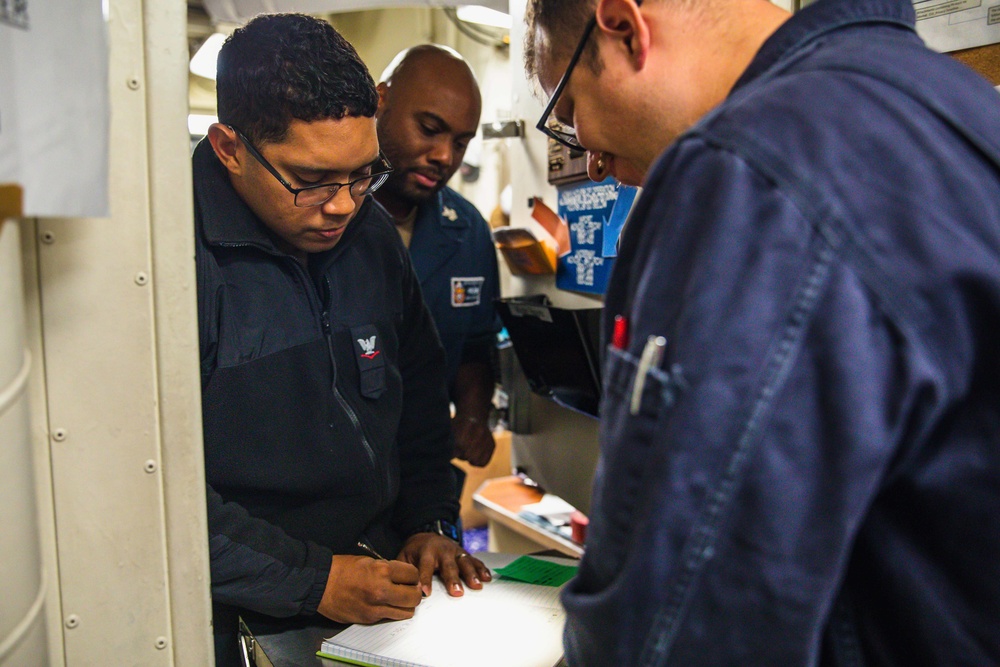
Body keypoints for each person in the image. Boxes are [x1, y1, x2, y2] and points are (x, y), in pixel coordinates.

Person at [524, 0, 1000, 664]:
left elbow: (680, 616)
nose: (594, 162)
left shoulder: (752, 169)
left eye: (572, 113)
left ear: (624, 25)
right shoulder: (953, 103)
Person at [193, 14, 491, 665]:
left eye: (363, 175)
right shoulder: (172, 264)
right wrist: (315, 578)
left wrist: (428, 518)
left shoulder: (368, 232)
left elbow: (415, 388)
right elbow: (154, 492)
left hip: (375, 597)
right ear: (228, 147)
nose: (343, 206)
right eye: (312, 180)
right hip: (244, 613)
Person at [374, 45, 502, 468]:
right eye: (429, 129)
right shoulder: (326, 218)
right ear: (380, 102)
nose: (445, 156)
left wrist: (471, 416)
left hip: (426, 475)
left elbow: (475, 348)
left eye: (461, 143)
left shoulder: (467, 232)